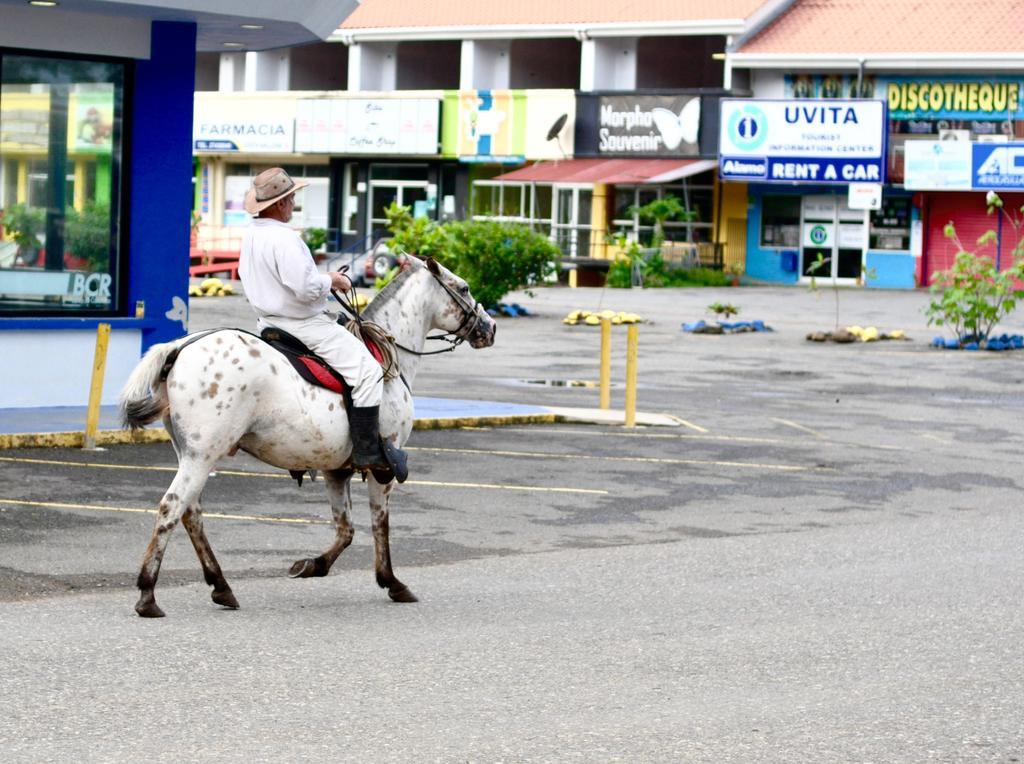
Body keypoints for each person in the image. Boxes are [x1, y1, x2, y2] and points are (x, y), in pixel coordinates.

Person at [238, 167, 406, 478]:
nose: (293, 204)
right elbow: (304, 288)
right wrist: (332, 280)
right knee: (368, 371)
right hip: (302, 324)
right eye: (290, 199)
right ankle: (367, 452)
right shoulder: (285, 239)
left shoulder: (251, 236)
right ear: (278, 204)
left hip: (267, 323)